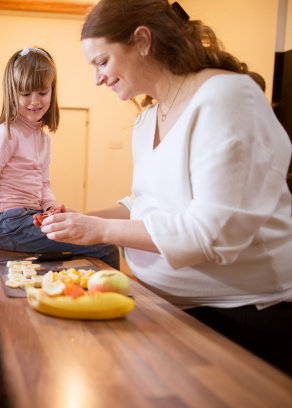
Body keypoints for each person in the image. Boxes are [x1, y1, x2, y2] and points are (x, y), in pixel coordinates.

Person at [40, 0, 292, 375]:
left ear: (142, 41)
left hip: (244, 315)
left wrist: (100, 230)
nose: (97, 79)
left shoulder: (225, 98)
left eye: (102, 62)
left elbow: (211, 234)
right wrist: (81, 220)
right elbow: (144, 203)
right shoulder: (146, 119)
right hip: (167, 307)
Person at [0, 46, 120, 269]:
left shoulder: (43, 139)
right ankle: (107, 299)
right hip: (10, 226)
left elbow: (43, 183)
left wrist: (50, 208)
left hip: (31, 218)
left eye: (42, 93)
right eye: (26, 94)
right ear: (12, 93)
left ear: (52, 91)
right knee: (104, 247)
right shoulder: (5, 134)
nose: (34, 101)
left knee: (95, 238)